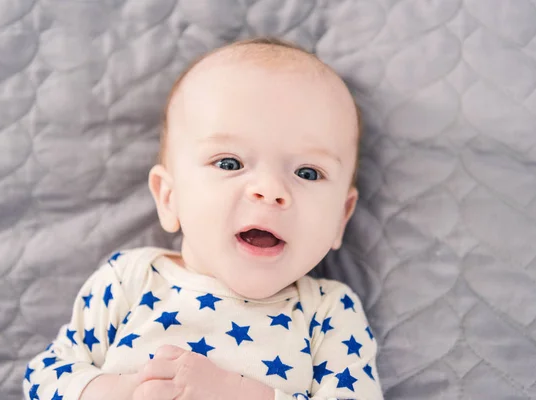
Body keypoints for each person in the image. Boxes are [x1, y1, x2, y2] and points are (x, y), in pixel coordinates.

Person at [23, 37, 383, 400]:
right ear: (169, 197)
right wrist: (119, 390)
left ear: (341, 216)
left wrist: (235, 394)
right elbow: (46, 375)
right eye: (230, 163)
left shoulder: (328, 313)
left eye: (307, 172)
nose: (271, 189)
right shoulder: (129, 280)